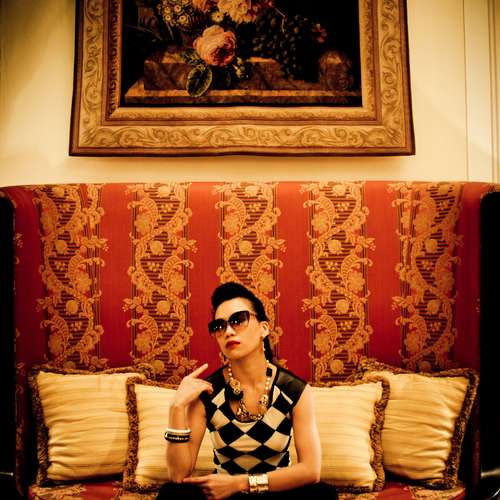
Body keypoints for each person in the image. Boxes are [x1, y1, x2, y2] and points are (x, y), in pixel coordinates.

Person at [157, 282, 338, 499]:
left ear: (264, 328)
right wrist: (176, 407)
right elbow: (178, 475)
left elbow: (310, 470)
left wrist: (240, 483)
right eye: (219, 326)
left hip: (275, 490)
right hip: (225, 497)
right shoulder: (207, 392)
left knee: (322, 494)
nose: (228, 331)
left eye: (239, 320)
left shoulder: (294, 390)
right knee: (172, 493)